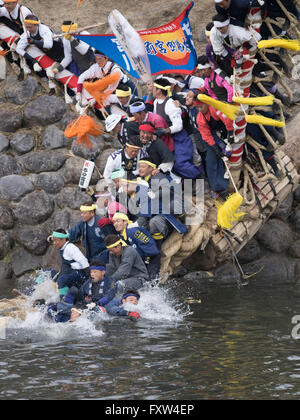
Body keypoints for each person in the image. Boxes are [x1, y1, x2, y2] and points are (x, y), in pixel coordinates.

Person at [152, 78, 202, 179]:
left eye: (154, 88)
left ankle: (200, 180)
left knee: (181, 164)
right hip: (166, 138)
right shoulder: (156, 102)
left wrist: (165, 131)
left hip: (179, 138)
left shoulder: (170, 104)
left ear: (159, 90)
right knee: (170, 164)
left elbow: (178, 125)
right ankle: (187, 184)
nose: (151, 90)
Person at [136, 158, 187, 248]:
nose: (140, 169)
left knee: (171, 207)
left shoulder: (158, 176)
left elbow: (167, 190)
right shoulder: (142, 181)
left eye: (143, 167)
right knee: (149, 223)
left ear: (151, 168)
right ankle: (156, 248)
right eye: (139, 167)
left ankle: (185, 221)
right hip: (156, 211)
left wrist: (155, 195)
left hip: (168, 207)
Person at [195, 97, 233, 199]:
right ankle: (220, 187)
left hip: (229, 129)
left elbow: (227, 119)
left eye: (201, 106)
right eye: (197, 107)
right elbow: (206, 134)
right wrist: (215, 148)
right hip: (214, 136)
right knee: (212, 159)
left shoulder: (215, 108)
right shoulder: (200, 118)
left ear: (206, 103)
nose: (200, 109)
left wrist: (230, 133)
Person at [112, 212, 161, 280]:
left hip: (151, 258)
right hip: (141, 262)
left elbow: (149, 247)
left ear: (125, 221)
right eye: (114, 222)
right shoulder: (121, 236)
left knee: (151, 282)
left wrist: (146, 262)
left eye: (118, 221)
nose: (115, 224)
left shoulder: (134, 231)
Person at [48, 229, 90, 298]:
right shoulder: (63, 247)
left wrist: (88, 278)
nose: (54, 243)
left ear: (64, 240)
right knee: (47, 273)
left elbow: (83, 261)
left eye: (56, 240)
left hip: (79, 275)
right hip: (69, 273)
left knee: (61, 280)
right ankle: (28, 294)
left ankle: (64, 302)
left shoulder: (70, 248)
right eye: (53, 240)